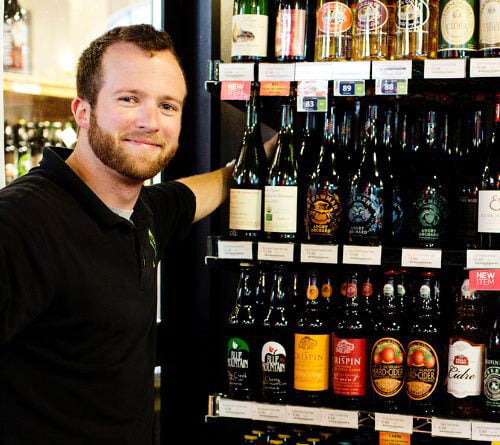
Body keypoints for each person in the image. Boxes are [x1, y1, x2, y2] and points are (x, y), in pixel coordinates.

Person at [0, 25, 274, 445]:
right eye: (129, 99)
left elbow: (202, 189)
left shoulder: (140, 212)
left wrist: (272, 150)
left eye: (167, 106)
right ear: (83, 111)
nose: (150, 121)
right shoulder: (21, 222)